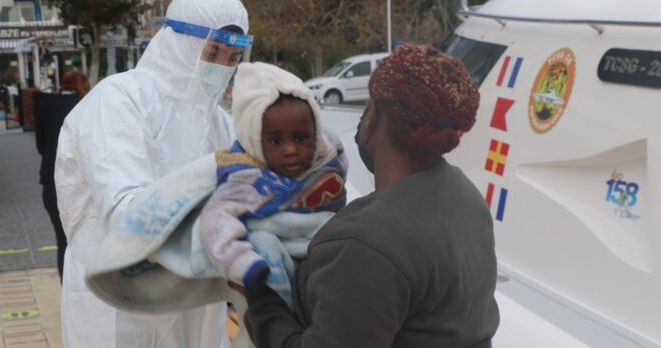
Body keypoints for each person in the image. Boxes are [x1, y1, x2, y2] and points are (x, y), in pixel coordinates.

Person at [243, 44, 500, 348]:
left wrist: (259, 298)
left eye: (367, 106)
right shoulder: (466, 196)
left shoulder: (367, 244)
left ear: (375, 115)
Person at [53, 0, 251, 346]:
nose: (222, 66)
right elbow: (127, 216)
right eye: (214, 51)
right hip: (118, 300)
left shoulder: (218, 123)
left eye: (232, 58)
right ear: (179, 41)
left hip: (193, 301)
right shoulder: (119, 100)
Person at [200, 62, 347, 291]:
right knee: (261, 240)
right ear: (255, 142)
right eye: (276, 141)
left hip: (328, 250)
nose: (290, 150)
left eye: (301, 138)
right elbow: (215, 221)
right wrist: (241, 264)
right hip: (280, 254)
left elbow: (339, 174)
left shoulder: (327, 153)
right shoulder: (246, 178)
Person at [34, 70, 89, 283]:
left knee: (62, 240)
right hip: (81, 182)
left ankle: (66, 287)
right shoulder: (85, 104)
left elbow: (40, 143)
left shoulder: (46, 104)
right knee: (83, 239)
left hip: (50, 179)